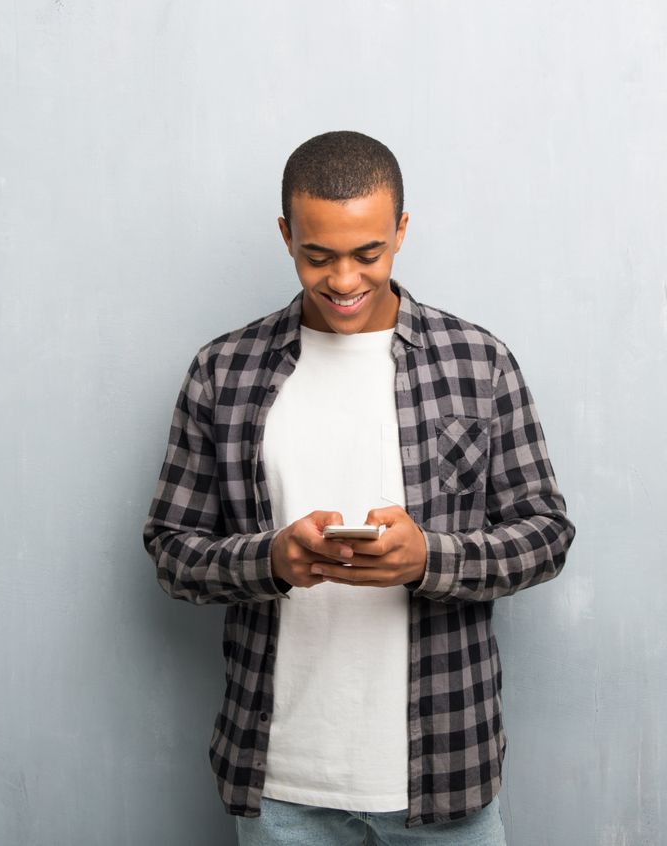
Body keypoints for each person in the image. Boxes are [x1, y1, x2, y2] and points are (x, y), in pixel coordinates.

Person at [143, 130, 575, 845]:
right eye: (319, 255)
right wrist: (271, 562)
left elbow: (547, 535)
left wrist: (428, 561)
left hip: (445, 777)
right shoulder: (224, 372)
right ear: (286, 235)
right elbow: (172, 551)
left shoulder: (479, 362)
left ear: (401, 230)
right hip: (280, 789)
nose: (344, 280)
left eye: (367, 253)